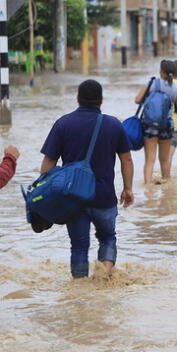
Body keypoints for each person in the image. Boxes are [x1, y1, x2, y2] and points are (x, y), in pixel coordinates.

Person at [40, 79, 134, 278]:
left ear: (77, 99)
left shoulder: (63, 124)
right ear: (101, 100)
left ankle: (80, 293)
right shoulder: (114, 125)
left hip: (73, 199)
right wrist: (128, 188)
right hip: (104, 197)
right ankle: (103, 276)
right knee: (108, 238)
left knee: (79, 247)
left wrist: (46, 194)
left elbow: (48, 163)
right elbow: (126, 159)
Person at [134, 60, 177, 184]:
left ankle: (148, 190)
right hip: (166, 126)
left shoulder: (152, 83)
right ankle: (167, 189)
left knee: (150, 160)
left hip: (149, 126)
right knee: (164, 160)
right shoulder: (176, 89)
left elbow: (137, 100)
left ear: (161, 71)